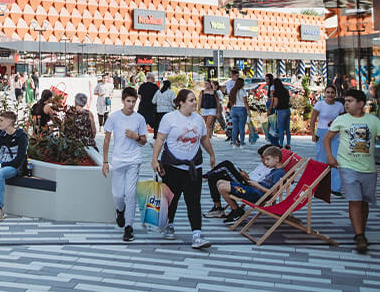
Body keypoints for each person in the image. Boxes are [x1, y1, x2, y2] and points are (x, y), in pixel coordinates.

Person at [150, 89, 215, 249]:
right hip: (173, 167)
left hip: (194, 167)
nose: (194, 103)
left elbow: (204, 139)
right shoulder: (169, 118)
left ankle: (197, 235)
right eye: (191, 100)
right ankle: (169, 224)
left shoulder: (198, 119)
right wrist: (154, 159)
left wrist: (212, 155)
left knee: (194, 201)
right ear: (181, 102)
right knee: (171, 199)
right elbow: (160, 139)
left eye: (194, 100)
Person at [325, 89, 380, 254]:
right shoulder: (341, 120)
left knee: (364, 202)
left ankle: (361, 230)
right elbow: (327, 138)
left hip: (368, 168)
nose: (346, 104)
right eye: (345, 101)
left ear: (361, 104)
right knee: (355, 200)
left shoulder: (374, 121)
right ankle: (359, 235)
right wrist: (330, 156)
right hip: (347, 166)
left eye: (350, 101)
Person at [102, 87, 148, 242]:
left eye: (134, 101)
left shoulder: (139, 119)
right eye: (128, 101)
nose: (131, 104)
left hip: (134, 160)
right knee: (118, 194)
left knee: (131, 193)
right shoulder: (114, 117)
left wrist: (136, 137)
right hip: (118, 160)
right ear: (122, 100)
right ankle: (120, 210)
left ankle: (129, 227)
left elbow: (144, 141)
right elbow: (106, 139)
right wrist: (105, 161)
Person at [217, 146, 288, 224]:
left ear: (277, 159)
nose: (265, 162)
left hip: (255, 195)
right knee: (220, 182)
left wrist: (257, 185)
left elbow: (273, 193)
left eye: (268, 159)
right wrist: (248, 180)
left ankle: (236, 210)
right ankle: (236, 210)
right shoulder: (274, 170)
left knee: (222, 187)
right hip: (252, 190)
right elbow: (264, 184)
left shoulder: (279, 173)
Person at [203, 144, 277, 218]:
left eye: (263, 158)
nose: (262, 160)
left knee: (226, 165)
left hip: (249, 186)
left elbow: (260, 184)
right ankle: (217, 207)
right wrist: (245, 176)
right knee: (214, 176)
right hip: (247, 181)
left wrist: (248, 179)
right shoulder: (263, 165)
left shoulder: (271, 169)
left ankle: (205, 176)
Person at [310, 86, 345, 196]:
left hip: (335, 134)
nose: (330, 94)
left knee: (336, 159)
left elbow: (343, 119)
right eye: (328, 92)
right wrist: (313, 134)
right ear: (325, 93)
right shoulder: (319, 104)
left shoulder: (339, 106)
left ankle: (335, 187)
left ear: (335, 94)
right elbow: (312, 120)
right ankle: (320, 186)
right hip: (322, 133)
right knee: (321, 160)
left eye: (332, 92)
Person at [271, 79, 293, 149]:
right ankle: (288, 144)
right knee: (287, 129)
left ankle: (281, 143)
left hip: (280, 111)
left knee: (281, 129)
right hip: (287, 110)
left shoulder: (276, 92)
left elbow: (276, 103)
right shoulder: (286, 91)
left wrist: (273, 107)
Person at [226, 78, 248, 148]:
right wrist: (248, 110)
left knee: (234, 128)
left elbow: (230, 101)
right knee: (241, 128)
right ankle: (242, 143)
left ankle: (234, 143)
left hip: (234, 109)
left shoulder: (232, 90)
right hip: (242, 108)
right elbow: (245, 102)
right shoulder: (243, 91)